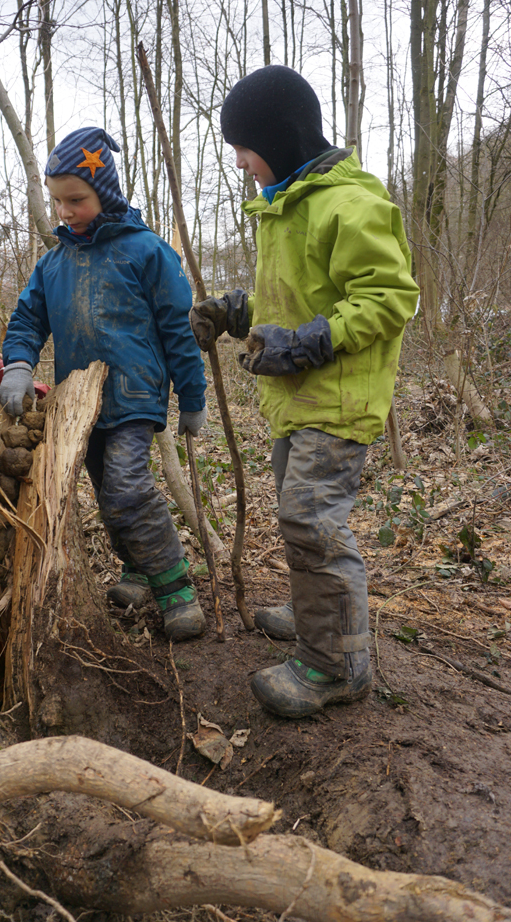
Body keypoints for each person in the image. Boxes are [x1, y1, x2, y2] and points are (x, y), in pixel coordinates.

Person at [190, 65, 419, 717]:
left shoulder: (349, 205)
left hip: (337, 399)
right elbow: (279, 298)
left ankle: (335, 665)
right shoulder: (282, 206)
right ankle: (315, 612)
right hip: (296, 401)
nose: (239, 162)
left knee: (311, 520)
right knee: (300, 517)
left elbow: (389, 297)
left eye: (244, 147)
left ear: (281, 139)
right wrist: (231, 311)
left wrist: (309, 341)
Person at [0, 127, 208, 642]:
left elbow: (179, 328)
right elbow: (26, 321)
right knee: (105, 492)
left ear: (105, 193)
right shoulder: (53, 264)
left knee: (128, 486)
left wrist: (193, 396)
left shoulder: (147, 252)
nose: (66, 211)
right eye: (59, 201)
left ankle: (176, 584)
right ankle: (137, 568)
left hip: (135, 394)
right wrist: (19, 364)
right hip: (77, 405)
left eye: (77, 199)